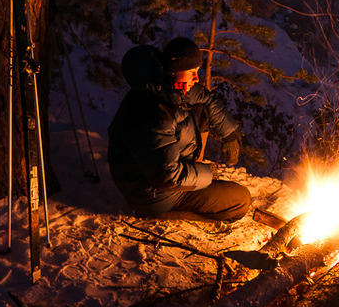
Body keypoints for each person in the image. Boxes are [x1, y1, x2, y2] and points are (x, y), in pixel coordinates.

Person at [107, 37, 251, 222]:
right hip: (154, 195)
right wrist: (205, 173)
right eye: (191, 71)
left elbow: (206, 98)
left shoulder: (165, 87)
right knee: (240, 201)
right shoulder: (155, 112)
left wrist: (229, 134)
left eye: (197, 70)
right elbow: (167, 177)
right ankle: (166, 213)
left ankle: (193, 176)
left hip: (154, 173)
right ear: (174, 71)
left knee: (201, 108)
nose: (196, 78)